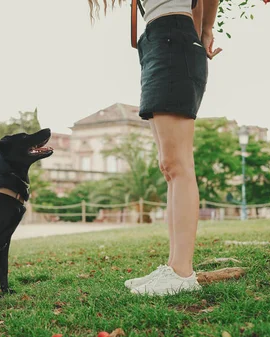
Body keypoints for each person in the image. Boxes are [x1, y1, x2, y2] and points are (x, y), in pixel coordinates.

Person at [88, 0, 222, 295]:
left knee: (179, 165)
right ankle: (174, 266)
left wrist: (206, 30)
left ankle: (182, 273)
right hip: (157, 40)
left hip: (174, 38)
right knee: (169, 166)